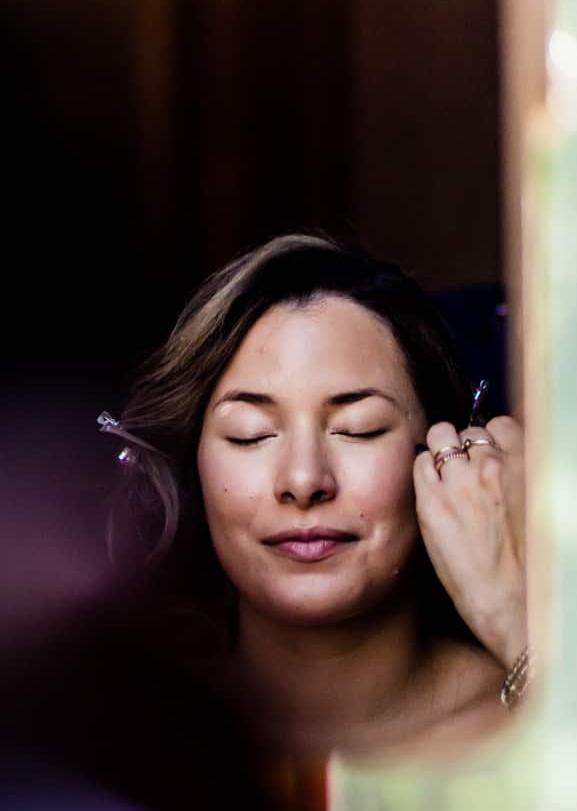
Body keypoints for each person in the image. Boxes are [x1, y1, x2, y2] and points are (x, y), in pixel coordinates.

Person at [103, 234, 529, 759]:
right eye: (251, 435)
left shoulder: (542, 717)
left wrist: (520, 632)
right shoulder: (127, 743)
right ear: (193, 466)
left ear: (448, 452)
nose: (304, 481)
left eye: (359, 428)